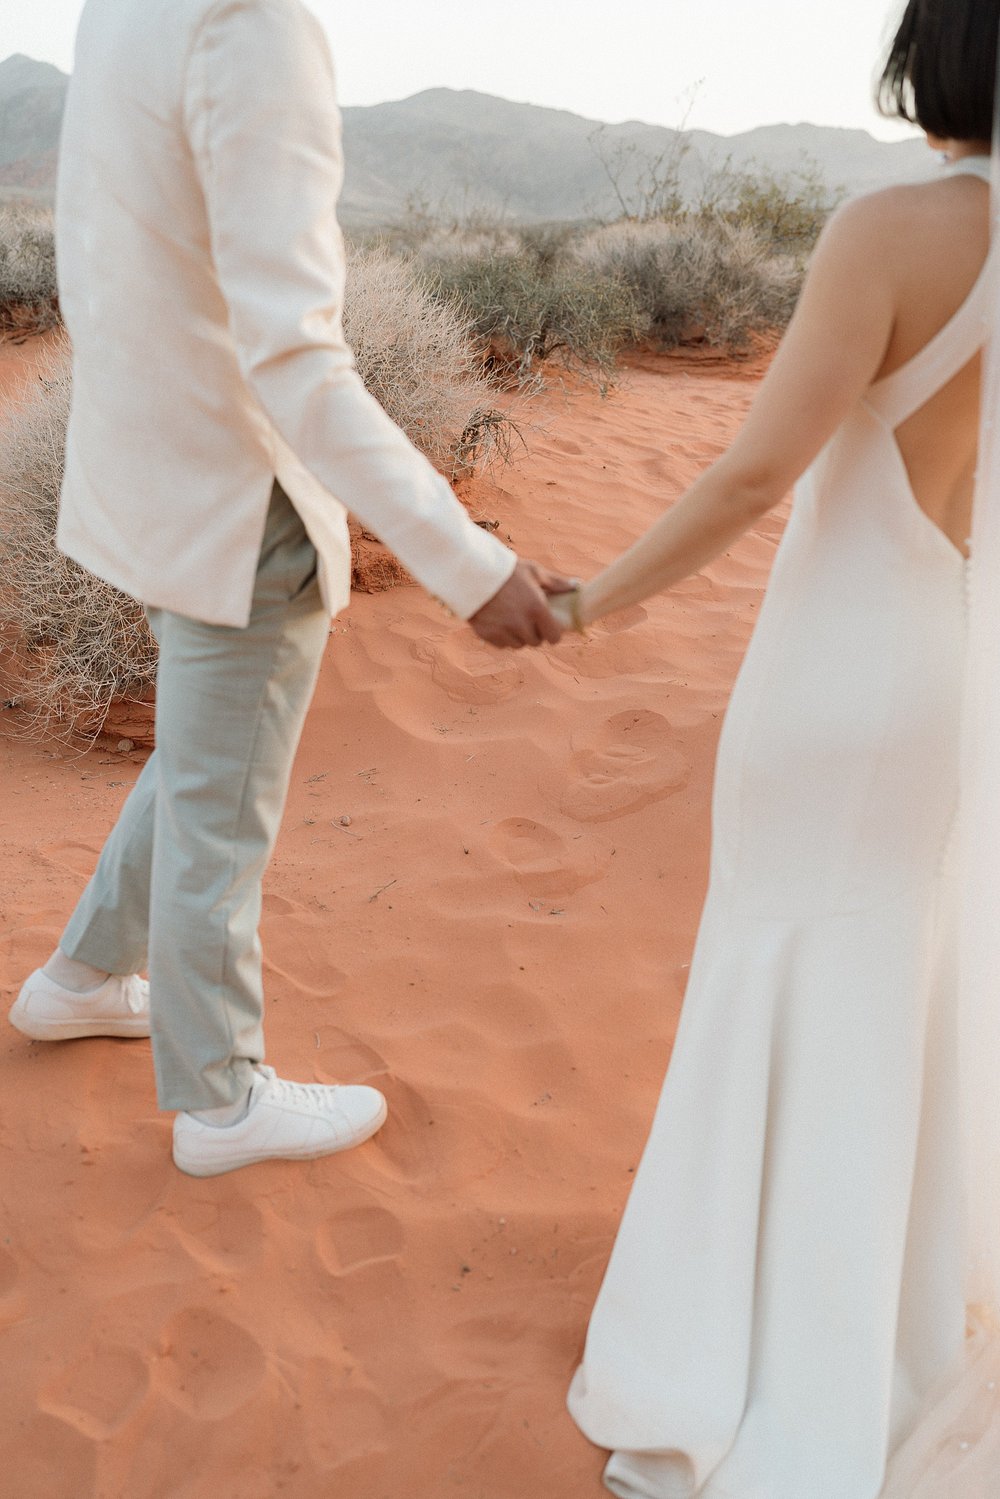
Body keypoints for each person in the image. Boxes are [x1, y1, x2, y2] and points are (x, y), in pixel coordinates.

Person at [555, 1, 1000, 1494]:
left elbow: (759, 469)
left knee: (779, 953)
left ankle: (752, 1348)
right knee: (884, 976)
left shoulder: (895, 229)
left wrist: (591, 600)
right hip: (944, 662)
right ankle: (882, 1328)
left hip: (837, 664)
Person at [7, 0, 569, 1179]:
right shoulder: (252, 24)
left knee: (205, 755)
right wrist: (466, 561)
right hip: (236, 484)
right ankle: (222, 1099)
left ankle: (82, 977)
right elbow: (299, 352)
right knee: (224, 800)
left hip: (149, 458)